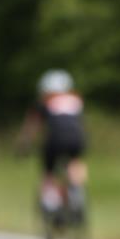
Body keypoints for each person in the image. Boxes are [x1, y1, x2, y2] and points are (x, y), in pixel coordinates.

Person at [17, 69, 88, 217]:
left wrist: (24, 144)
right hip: (77, 138)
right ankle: (77, 191)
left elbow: (33, 126)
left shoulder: (45, 101)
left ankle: (51, 200)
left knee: (48, 170)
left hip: (56, 139)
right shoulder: (76, 99)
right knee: (74, 161)